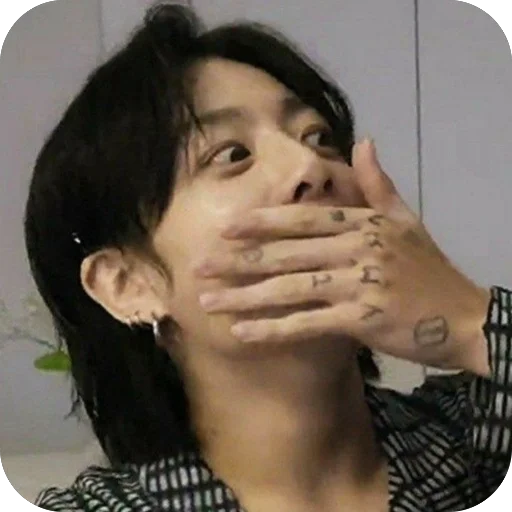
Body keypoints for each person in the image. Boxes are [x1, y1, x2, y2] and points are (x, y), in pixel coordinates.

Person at [24, 2, 510, 511]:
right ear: (129, 284)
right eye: (233, 155)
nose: (310, 166)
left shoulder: (478, 439)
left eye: (319, 138)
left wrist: (470, 324)